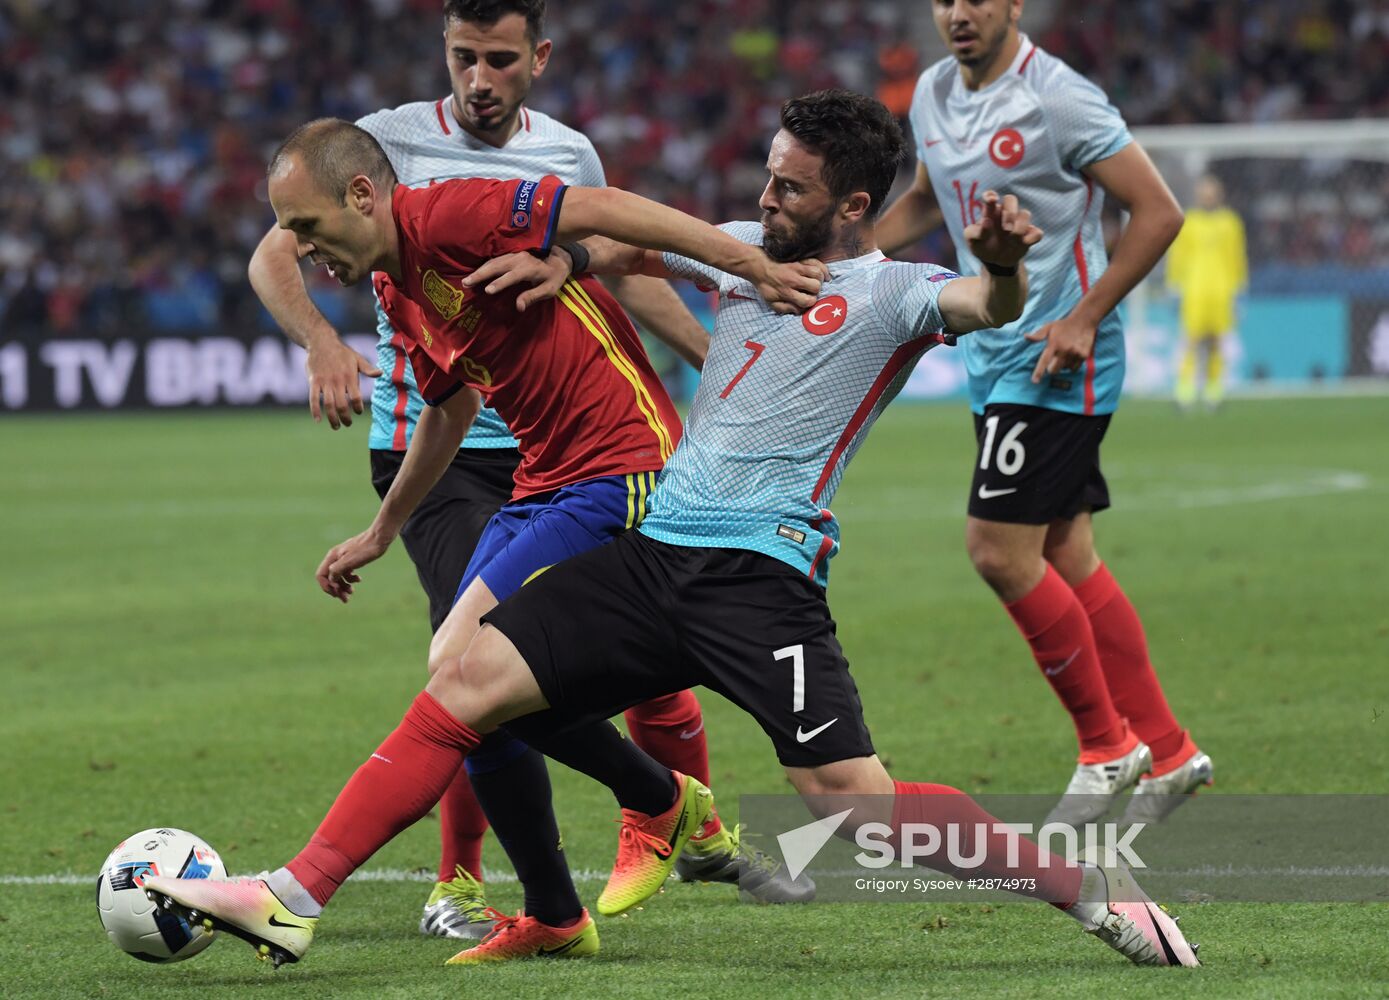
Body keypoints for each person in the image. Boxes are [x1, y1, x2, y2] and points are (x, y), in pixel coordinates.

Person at [145, 90, 1198, 971]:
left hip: (762, 577)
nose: (763, 196)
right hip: (651, 556)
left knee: (854, 802)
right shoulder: (736, 251)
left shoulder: (893, 294)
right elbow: (612, 239)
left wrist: (1010, 268)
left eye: (789, 185)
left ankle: (1089, 895)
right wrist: (563, 263)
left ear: (854, 204)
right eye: (768, 176)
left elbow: (985, 301)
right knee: (464, 682)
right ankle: (293, 896)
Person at [245, 0, 776, 941]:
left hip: (595, 455)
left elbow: (610, 243)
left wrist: (726, 319)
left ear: (536, 59)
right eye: (462, 57)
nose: (477, 78)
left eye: (497, 59)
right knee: (466, 669)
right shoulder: (378, 174)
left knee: (495, 673)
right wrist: (325, 357)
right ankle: (503, 881)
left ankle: (659, 818)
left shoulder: (545, 164)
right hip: (485, 462)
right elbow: (425, 381)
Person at [874, 0, 1212, 827]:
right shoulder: (929, 94)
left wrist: (1085, 316)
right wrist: (848, 264)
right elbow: (927, 199)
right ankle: (1168, 751)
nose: (959, 12)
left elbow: (1157, 209)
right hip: (993, 356)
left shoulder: (1058, 97)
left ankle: (1107, 748)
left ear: (1014, 5)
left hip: (1060, 360)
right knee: (1064, 550)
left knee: (995, 548)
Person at [1167, 175, 1247, 412]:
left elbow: (1237, 257)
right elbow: (1178, 256)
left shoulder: (1230, 223)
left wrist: (1240, 290)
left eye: (1211, 192)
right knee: (1189, 341)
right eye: (1204, 192)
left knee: (1217, 342)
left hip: (1222, 291)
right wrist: (1174, 287)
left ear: (1219, 195)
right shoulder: (1189, 222)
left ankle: (1214, 392)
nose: (1208, 197)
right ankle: (1185, 392)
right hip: (1194, 291)